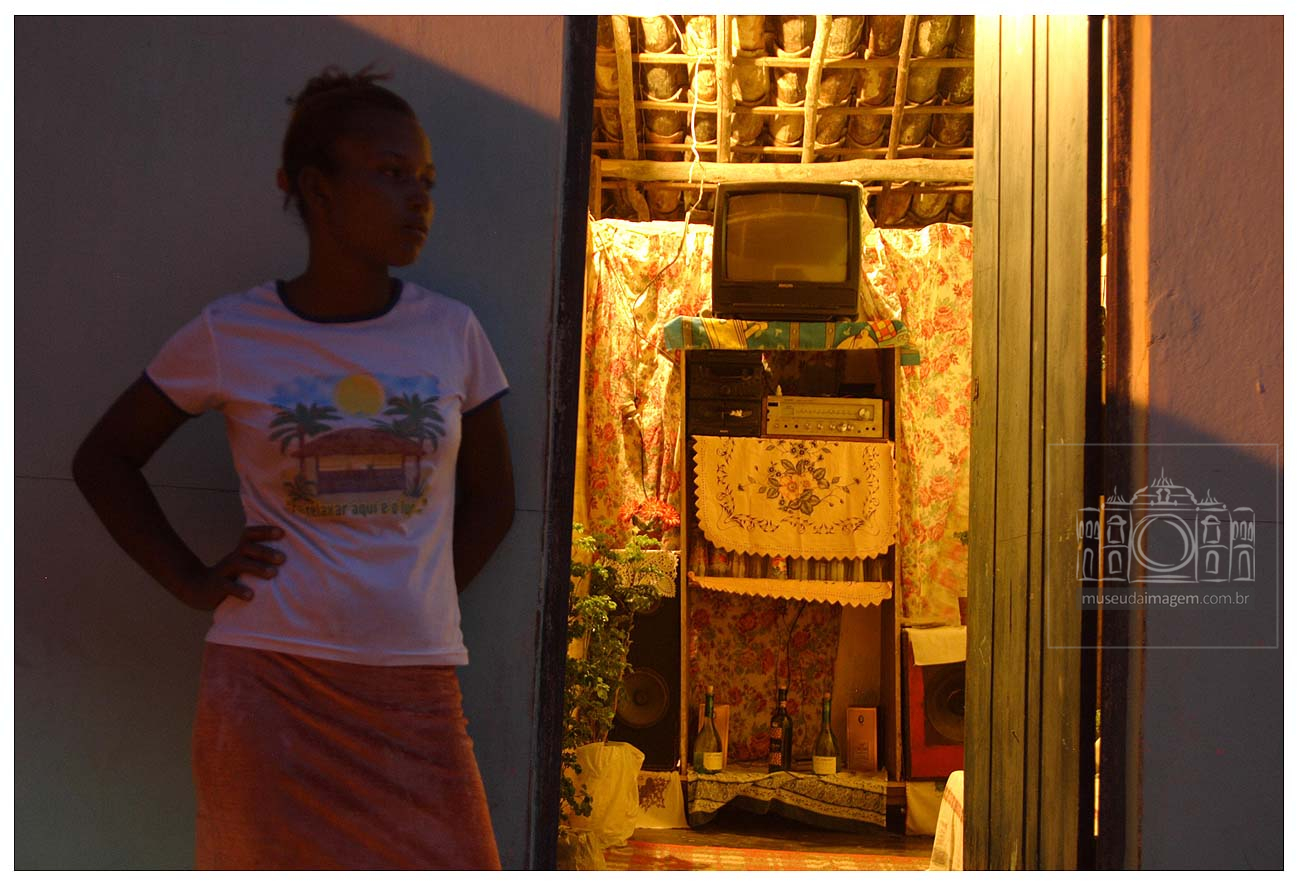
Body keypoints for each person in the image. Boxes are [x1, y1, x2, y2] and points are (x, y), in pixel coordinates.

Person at [71, 66, 515, 870]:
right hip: (268, 687)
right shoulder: (231, 332)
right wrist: (190, 579)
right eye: (390, 174)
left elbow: (494, 499)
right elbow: (104, 460)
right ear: (316, 188)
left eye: (425, 180)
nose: (418, 199)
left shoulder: (452, 333)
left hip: (413, 693)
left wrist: (418, 597)